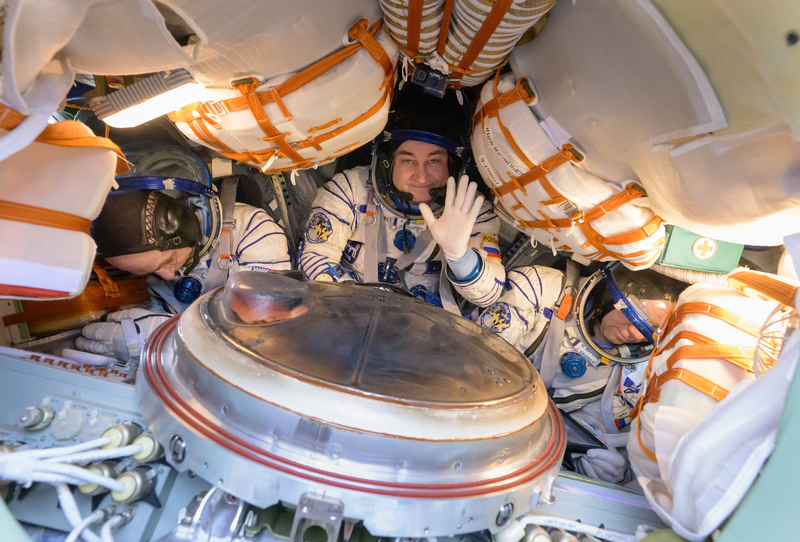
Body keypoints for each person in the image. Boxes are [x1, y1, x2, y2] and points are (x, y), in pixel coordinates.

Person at [74, 143, 291, 362]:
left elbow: (265, 330)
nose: (168, 275)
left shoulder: (253, 231)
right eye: (152, 272)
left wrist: (171, 337)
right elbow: (153, 314)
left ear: (183, 227)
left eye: (168, 261)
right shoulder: (157, 272)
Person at [298, 83, 505, 311]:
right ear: (388, 162)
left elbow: (489, 295)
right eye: (408, 160)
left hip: (427, 323)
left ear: (453, 165)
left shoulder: (471, 210)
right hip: (350, 311)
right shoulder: (350, 189)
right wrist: (354, 309)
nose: (422, 176)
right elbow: (316, 258)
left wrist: (460, 256)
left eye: (434, 160)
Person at [479, 262, 685, 484]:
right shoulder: (542, 290)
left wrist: (585, 457)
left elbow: (589, 423)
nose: (635, 333)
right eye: (635, 316)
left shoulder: (630, 377)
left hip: (524, 445)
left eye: (649, 330)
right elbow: (478, 360)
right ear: (612, 295)